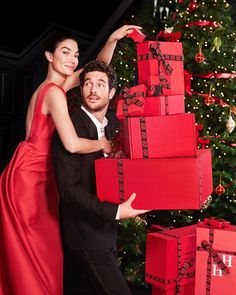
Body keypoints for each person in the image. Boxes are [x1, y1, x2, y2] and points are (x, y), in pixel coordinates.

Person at [0, 25, 141, 295]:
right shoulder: (54, 92)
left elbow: (95, 71)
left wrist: (112, 38)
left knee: (38, 253)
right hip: (31, 179)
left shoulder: (56, 86)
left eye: (76, 55)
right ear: (49, 56)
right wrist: (107, 144)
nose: (73, 59)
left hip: (36, 173)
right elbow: (73, 144)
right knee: (35, 251)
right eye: (65, 52)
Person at [52, 60, 149, 295]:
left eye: (100, 84)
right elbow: (68, 190)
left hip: (108, 231)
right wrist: (116, 212)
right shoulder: (69, 127)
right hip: (85, 232)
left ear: (111, 92)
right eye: (87, 84)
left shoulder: (115, 125)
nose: (93, 90)